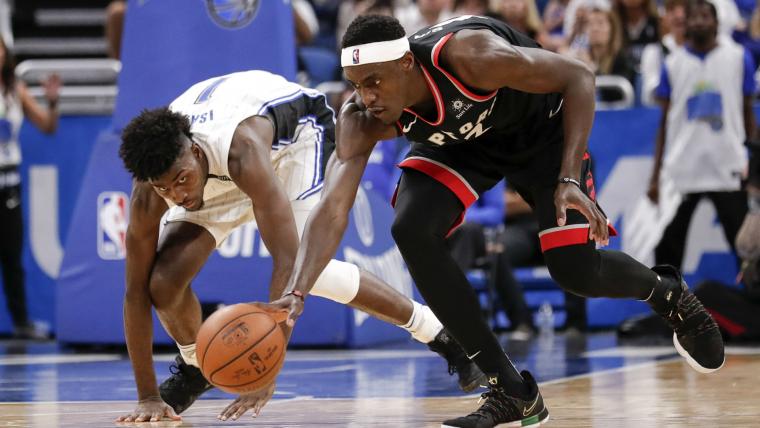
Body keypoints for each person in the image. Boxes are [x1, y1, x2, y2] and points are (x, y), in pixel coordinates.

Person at [259, 14, 726, 427]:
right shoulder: (361, 116)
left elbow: (579, 76)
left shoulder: (470, 55)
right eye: (356, 83)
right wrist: (296, 292)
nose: (366, 96)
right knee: (411, 227)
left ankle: (670, 295)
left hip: (541, 132)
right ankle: (512, 392)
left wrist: (569, 176)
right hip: (464, 145)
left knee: (575, 272)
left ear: (406, 64)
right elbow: (333, 208)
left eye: (375, 81)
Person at [113, 70, 485, 423]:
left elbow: (289, 263)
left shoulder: (242, 150)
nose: (177, 196)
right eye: (164, 188)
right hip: (218, 162)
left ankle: (438, 332)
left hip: (296, 140)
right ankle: (197, 367)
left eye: (181, 181)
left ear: (194, 152)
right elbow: (134, 294)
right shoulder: (157, 185)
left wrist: (268, 364)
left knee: (312, 270)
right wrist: (147, 395)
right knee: (162, 281)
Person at [648, 0, 754, 272]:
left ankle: (753, 305)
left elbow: (747, 114)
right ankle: (668, 311)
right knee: (667, 250)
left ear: (717, 23)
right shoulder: (672, 64)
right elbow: (664, 124)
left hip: (728, 165)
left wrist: (752, 164)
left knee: (748, 248)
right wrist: (655, 175)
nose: (698, 21)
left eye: (705, 16)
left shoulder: (738, 58)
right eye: (693, 16)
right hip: (683, 169)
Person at [0, 38, 60, 339]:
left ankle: (21, 321)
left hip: (8, 181)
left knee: (11, 254)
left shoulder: (14, 90)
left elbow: (48, 126)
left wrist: (52, 100)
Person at [640, 0, 686, 106]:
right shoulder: (653, 52)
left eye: (684, 9)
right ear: (664, 18)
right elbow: (650, 95)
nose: (679, 15)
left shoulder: (704, 51)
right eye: (672, 10)